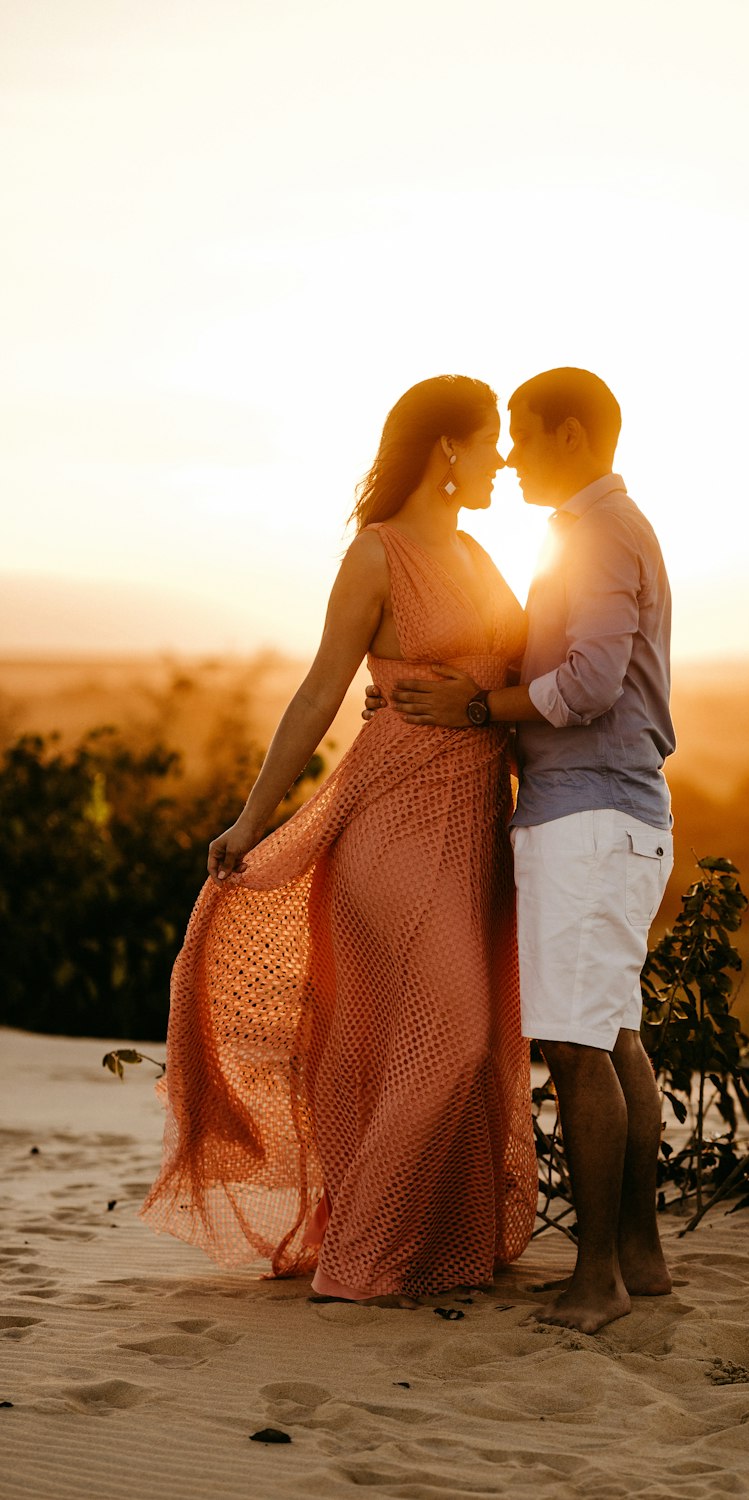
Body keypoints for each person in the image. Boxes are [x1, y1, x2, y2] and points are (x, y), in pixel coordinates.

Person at [140, 375, 536, 1306]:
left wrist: (488, 710)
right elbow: (319, 694)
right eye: (489, 443)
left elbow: (522, 673)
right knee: (452, 1038)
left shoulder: (480, 551)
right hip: (392, 824)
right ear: (446, 448)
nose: (501, 461)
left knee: (448, 1043)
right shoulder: (377, 556)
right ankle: (360, 1261)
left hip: (476, 824)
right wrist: (251, 817)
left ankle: (434, 1240)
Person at [382, 368, 675, 1334]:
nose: (509, 451)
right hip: (616, 814)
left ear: (574, 435)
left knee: (579, 1046)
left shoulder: (595, 536)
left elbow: (586, 686)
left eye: (523, 432)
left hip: (585, 816)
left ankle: (598, 1281)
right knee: (616, 1031)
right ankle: (639, 1254)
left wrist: (475, 707)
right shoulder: (606, 531)